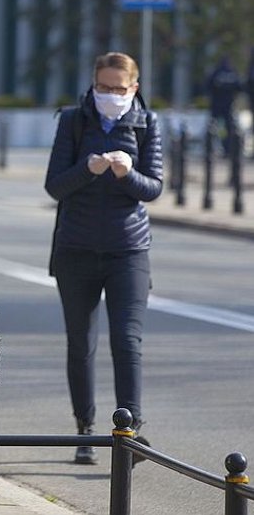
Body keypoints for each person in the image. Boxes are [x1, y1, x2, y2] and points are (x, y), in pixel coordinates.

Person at [44, 52, 162, 465]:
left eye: (118, 88)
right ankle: (84, 429)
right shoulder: (74, 120)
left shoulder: (147, 123)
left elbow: (153, 188)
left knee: (127, 340)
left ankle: (130, 432)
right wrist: (88, 168)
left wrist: (126, 174)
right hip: (75, 249)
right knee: (81, 343)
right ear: (92, 85)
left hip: (128, 249)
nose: (109, 95)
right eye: (102, 88)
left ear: (134, 88)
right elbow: (54, 186)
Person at [205, 56, 242, 155]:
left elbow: (208, 86)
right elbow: (239, 87)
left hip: (219, 106)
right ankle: (225, 149)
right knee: (224, 129)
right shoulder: (232, 73)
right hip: (226, 106)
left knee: (216, 128)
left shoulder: (217, 73)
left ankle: (215, 149)